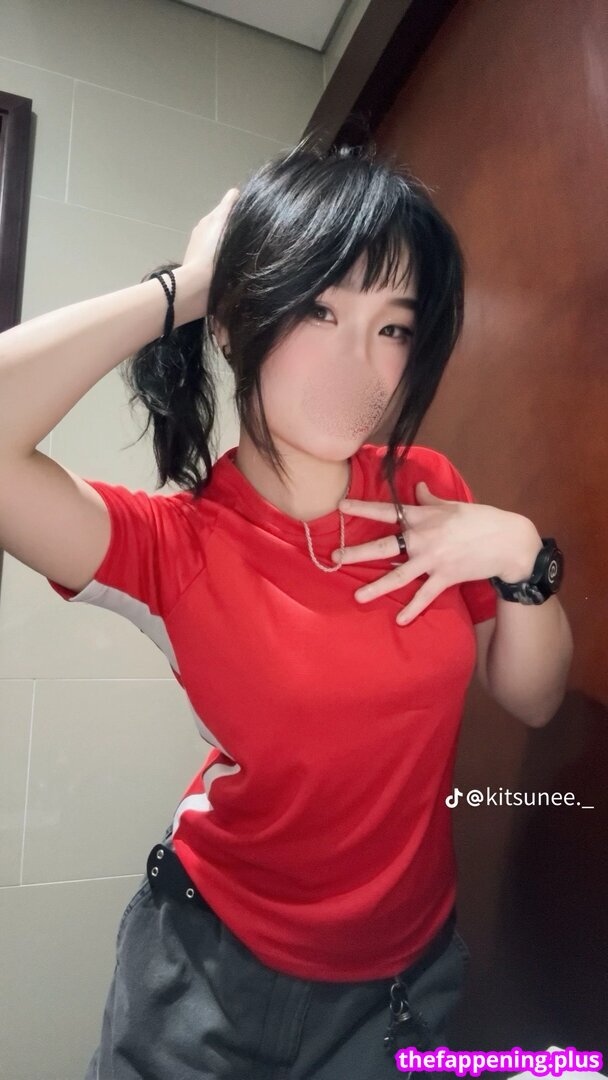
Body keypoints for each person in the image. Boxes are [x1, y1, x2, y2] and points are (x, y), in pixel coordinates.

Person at [0, 131, 498, 1079]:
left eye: (393, 327)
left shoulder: (428, 490)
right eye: (320, 308)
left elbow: (530, 691)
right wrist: (189, 287)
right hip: (203, 976)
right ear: (239, 322)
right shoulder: (173, 545)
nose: (362, 362)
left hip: (399, 989)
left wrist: (528, 560)